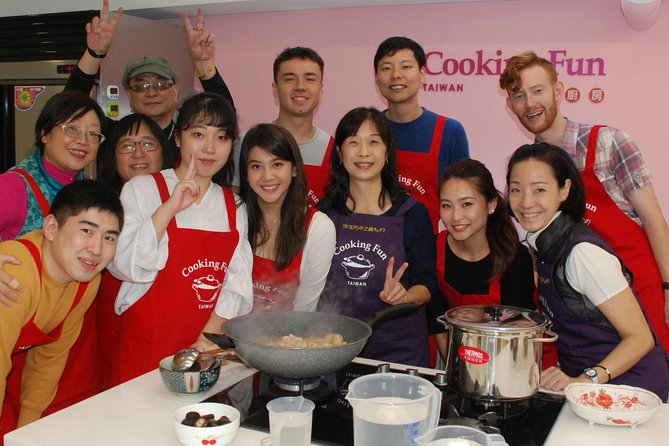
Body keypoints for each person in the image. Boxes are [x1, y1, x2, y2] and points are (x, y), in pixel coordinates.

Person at [499, 50, 669, 353]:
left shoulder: (609, 143)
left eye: (538, 91)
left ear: (559, 90)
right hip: (576, 309)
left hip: (639, 295)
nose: (530, 103)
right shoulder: (526, 169)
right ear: (510, 105)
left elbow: (654, 219)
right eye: (519, 96)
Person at [102, 92, 253, 387]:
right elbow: (124, 266)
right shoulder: (142, 189)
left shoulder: (234, 207)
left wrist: (202, 344)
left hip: (201, 352)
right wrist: (170, 207)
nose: (210, 148)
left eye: (221, 137)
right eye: (198, 134)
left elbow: (236, 286)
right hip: (144, 349)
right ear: (179, 137)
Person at [506, 142, 669, 401]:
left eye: (539, 189)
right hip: (591, 391)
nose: (526, 202)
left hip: (632, 390)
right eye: (516, 190)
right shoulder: (542, 245)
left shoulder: (582, 253)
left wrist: (584, 380)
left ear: (564, 190)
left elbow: (641, 338)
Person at [0, 180, 123, 437]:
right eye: (87, 231)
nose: (97, 249)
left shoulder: (86, 282)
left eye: (109, 237)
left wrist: (27, 434)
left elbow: (49, 359)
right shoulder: (14, 275)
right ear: (52, 228)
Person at [317, 107, 436, 367]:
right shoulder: (323, 214)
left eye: (373, 142)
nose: (363, 152)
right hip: (336, 348)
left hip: (399, 352)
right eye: (353, 142)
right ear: (339, 153)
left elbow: (428, 285)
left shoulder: (413, 214)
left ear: (387, 151)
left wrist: (404, 296)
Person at [65, 1, 234, 156]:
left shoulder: (187, 139)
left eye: (161, 84)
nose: (152, 92)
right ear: (129, 95)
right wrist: (94, 54)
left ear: (175, 91)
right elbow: (68, 109)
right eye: (141, 86)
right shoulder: (113, 134)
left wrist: (203, 65)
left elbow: (226, 119)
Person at [426, 159, 536, 360]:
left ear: (491, 204)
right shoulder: (432, 250)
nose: (456, 216)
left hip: (512, 359)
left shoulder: (515, 257)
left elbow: (519, 332)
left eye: (467, 204)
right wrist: (457, 373)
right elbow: (438, 326)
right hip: (460, 357)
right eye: (446, 205)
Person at [373, 36, 469, 231]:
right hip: (374, 244)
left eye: (405, 66)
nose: (396, 75)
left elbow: (465, 198)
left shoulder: (450, 132)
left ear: (423, 74)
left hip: (428, 249)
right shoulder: (367, 130)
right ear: (376, 78)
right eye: (386, 68)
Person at [239, 123, 335, 312]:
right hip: (230, 335)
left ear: (294, 169)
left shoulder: (319, 228)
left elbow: (304, 310)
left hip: (289, 336)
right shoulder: (235, 217)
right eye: (256, 166)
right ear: (247, 174)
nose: (267, 176)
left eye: (277, 165)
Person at [232, 47, 334, 206]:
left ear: (321, 90)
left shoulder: (334, 150)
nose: (300, 86)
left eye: (310, 78)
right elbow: (233, 204)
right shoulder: (247, 142)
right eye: (289, 78)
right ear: (275, 89)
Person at [0, 90, 105, 242]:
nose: (83, 140)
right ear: (44, 133)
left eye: (93, 133)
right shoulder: (12, 186)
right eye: (71, 129)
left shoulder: (91, 191)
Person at [97, 113, 172, 194]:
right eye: (127, 146)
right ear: (113, 157)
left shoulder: (183, 197)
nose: (138, 154)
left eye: (147, 144)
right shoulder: (98, 204)